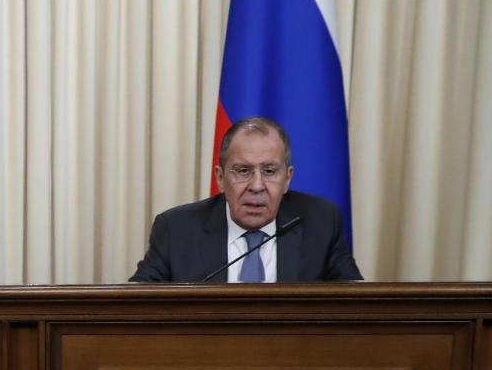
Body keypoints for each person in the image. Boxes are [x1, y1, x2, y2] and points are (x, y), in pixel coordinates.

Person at [129, 116, 362, 283]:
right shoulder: (176, 228)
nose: (257, 186)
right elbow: (139, 304)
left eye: (270, 171)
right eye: (243, 171)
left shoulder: (321, 221)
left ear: (287, 179)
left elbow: (354, 304)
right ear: (220, 178)